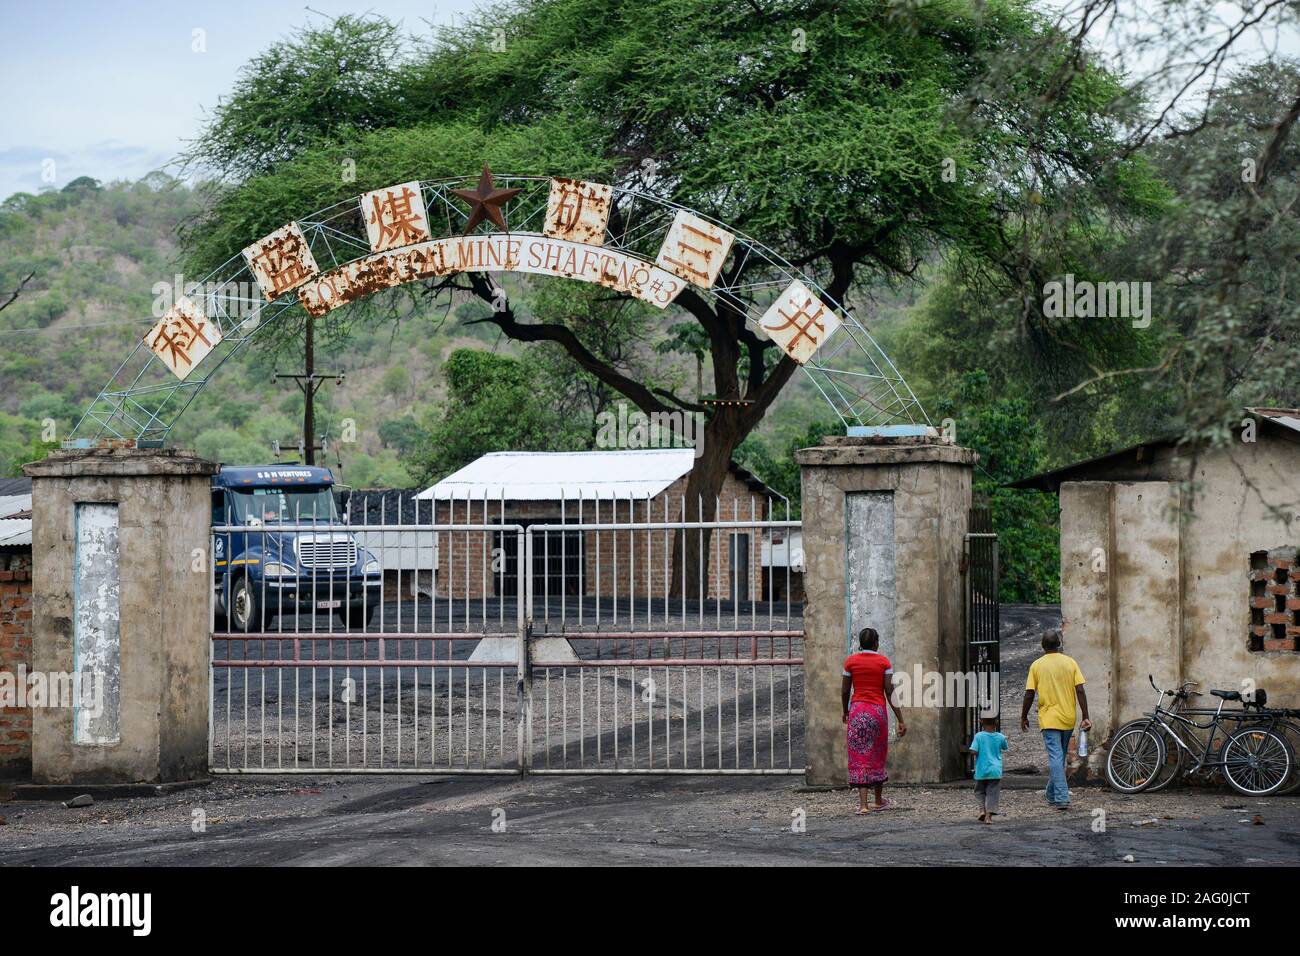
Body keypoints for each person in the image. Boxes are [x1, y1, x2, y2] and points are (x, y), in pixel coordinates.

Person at [1020, 628, 1091, 809]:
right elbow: (1080, 690)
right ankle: (1051, 794)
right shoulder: (1070, 663)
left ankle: (1061, 797)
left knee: (1055, 757)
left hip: (1049, 718)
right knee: (1058, 757)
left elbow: (1029, 694)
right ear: (1059, 644)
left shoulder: (1037, 665)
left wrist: (1024, 716)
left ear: (1042, 645)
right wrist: (1085, 715)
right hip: (1068, 717)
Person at [841, 626, 907, 814]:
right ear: (876, 643)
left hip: (857, 711)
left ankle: (863, 805)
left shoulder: (850, 662)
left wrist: (844, 710)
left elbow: (845, 690)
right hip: (877, 713)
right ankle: (878, 801)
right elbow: (889, 691)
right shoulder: (884, 662)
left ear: (861, 643)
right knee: (877, 754)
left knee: (860, 756)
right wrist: (900, 719)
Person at [969, 716, 1008, 823]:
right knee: (993, 793)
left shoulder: (978, 736)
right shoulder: (1000, 737)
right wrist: (1004, 738)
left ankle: (982, 810)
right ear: (996, 723)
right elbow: (1005, 747)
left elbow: (973, 750)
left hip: (981, 770)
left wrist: (976, 752)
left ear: (981, 723)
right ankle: (989, 816)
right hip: (995, 770)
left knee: (979, 791)